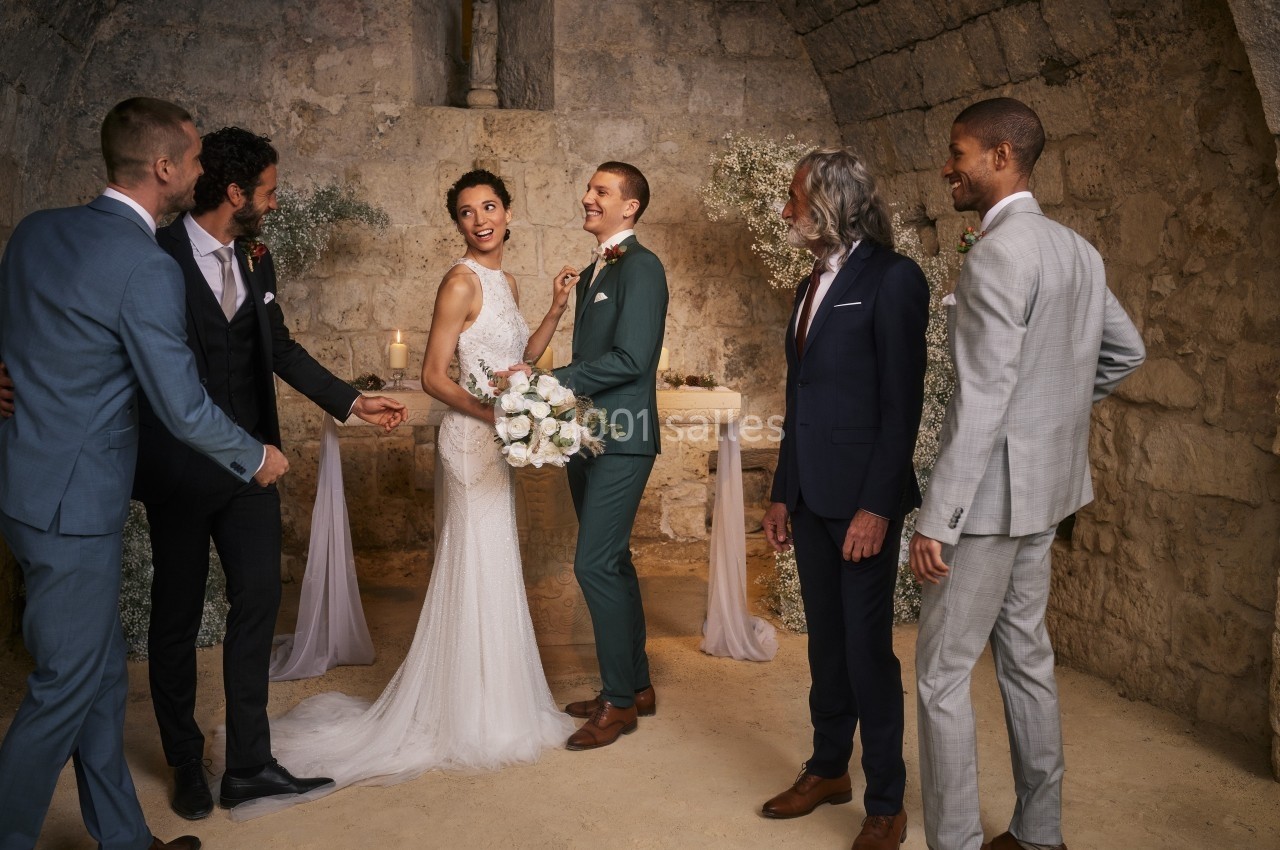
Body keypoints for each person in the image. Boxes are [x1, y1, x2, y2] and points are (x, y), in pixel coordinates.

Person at [216, 169, 576, 820]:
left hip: (498, 444)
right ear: (458, 224)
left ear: (509, 213)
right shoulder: (460, 281)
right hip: (471, 447)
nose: (480, 219)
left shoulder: (507, 282)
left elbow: (516, 361)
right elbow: (437, 379)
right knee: (473, 567)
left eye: (489, 207)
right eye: (466, 212)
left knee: (497, 568)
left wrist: (552, 311)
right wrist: (496, 417)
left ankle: (499, 704)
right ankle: (464, 715)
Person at [0, 97, 290, 850]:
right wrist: (257, 456)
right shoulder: (145, 266)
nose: (201, 169)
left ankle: (125, 840)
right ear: (164, 168)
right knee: (63, 689)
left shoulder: (35, 231)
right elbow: (183, 406)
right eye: (194, 158)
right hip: (75, 507)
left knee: (97, 679)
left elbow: (29, 335)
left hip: (27, 489)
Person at [128, 127, 406, 819]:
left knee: (256, 603)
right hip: (179, 473)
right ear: (235, 192)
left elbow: (277, 347)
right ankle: (186, 761)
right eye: (270, 192)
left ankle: (248, 765)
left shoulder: (256, 257)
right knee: (177, 618)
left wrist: (349, 399)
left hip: (253, 467)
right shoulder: (154, 256)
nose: (275, 205)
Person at [909, 98, 1146, 850]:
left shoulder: (998, 253)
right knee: (1028, 659)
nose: (949, 166)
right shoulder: (1076, 248)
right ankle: (1040, 833)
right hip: (1046, 493)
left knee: (941, 676)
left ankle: (955, 842)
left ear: (1003, 156)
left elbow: (981, 399)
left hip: (983, 507)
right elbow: (1125, 351)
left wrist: (936, 518)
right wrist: (1053, 419)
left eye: (960, 152)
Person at [761, 149, 928, 850]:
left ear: (831, 201)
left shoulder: (893, 279)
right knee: (825, 647)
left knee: (867, 654)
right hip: (809, 496)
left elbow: (901, 406)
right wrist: (780, 492)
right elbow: (801, 399)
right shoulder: (807, 285)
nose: (787, 210)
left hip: (862, 504)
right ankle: (829, 767)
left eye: (795, 198)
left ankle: (886, 800)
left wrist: (877, 507)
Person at [543, 162, 668, 751]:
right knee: (613, 562)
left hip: (624, 436)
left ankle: (619, 705)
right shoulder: (598, 267)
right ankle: (635, 685)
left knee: (593, 563)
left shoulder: (642, 267)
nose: (588, 197)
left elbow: (632, 359)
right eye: (589, 189)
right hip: (588, 435)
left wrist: (552, 382)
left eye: (602, 192)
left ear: (630, 208)